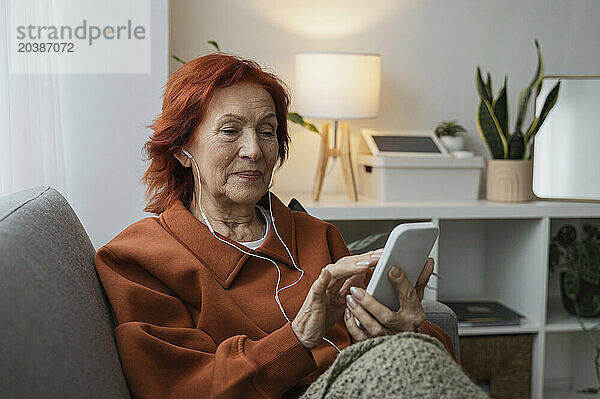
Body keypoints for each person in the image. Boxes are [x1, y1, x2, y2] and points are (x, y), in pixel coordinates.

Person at [94, 53, 475, 399]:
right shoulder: (137, 258)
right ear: (181, 148)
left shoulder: (316, 235)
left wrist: (412, 328)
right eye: (230, 131)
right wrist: (297, 338)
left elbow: (426, 362)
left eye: (267, 130)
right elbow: (178, 389)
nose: (254, 150)